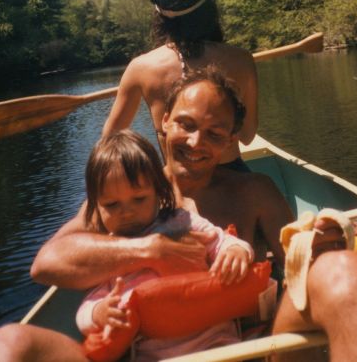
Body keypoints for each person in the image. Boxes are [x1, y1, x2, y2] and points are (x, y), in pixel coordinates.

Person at [0, 67, 357, 362]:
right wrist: (151, 250)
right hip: (150, 353)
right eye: (185, 125)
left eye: (214, 133)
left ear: (229, 141)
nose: (195, 142)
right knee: (9, 343)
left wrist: (327, 238)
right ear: (164, 122)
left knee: (344, 269)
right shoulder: (126, 195)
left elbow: (299, 263)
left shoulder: (254, 191)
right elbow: (46, 264)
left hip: (247, 350)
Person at [76, 129, 253, 360]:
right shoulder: (109, 251)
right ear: (96, 207)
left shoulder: (181, 222)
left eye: (139, 199)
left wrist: (237, 250)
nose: (126, 212)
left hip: (218, 345)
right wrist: (99, 312)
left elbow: (221, 240)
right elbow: (87, 307)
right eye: (111, 205)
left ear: (159, 192)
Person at [102, 0, 258, 170]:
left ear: (160, 15)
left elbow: (110, 143)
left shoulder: (140, 68)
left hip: (177, 185)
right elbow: (248, 136)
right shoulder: (241, 59)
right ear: (208, 8)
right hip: (233, 179)